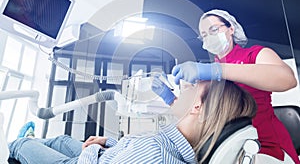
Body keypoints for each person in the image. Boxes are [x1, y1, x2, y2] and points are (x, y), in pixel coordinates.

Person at [9, 79, 257, 164]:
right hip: (107, 155)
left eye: (193, 87)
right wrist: (110, 142)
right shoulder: (173, 144)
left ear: (197, 107)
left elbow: (142, 155)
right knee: (62, 139)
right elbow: (133, 154)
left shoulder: (156, 153)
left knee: (20, 146)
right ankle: (34, 141)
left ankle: (24, 144)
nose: (186, 87)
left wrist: (94, 149)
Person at [169, 9, 299, 163]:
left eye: (214, 30)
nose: (209, 37)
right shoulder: (207, 72)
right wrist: (168, 98)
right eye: (204, 35)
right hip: (227, 143)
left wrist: (217, 70)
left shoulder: (254, 54)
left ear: (231, 29)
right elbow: (197, 109)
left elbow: (287, 80)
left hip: (265, 142)